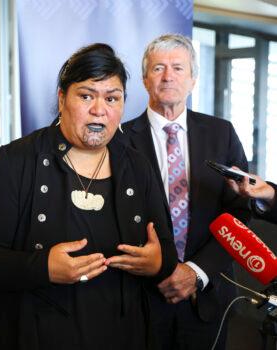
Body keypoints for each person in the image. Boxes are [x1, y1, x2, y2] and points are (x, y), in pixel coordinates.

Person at [0, 43, 178, 350]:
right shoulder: (16, 160)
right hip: (35, 333)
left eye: (112, 98)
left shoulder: (137, 165)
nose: (99, 110)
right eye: (86, 95)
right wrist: (42, 267)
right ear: (62, 98)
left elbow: (167, 252)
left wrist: (157, 263)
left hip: (121, 334)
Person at [122, 34, 252, 350]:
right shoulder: (120, 140)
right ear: (144, 79)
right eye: (158, 68)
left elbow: (239, 213)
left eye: (178, 68)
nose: (168, 76)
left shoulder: (222, 133)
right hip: (140, 301)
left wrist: (196, 272)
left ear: (193, 79)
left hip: (206, 297)